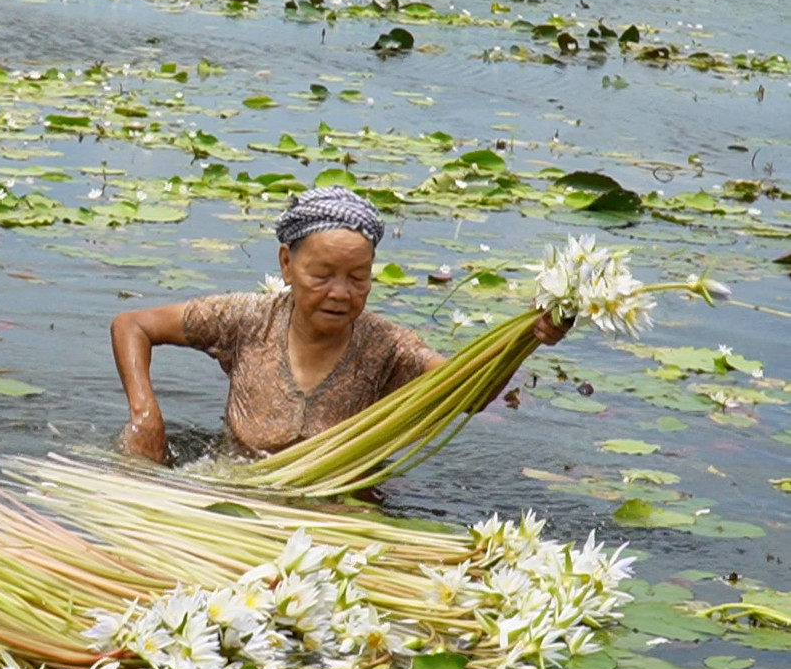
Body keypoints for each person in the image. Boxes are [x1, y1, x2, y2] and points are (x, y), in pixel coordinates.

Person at [110, 186, 568, 465]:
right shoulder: (247, 320)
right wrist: (145, 414)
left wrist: (527, 338)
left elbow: (465, 394)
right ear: (286, 265)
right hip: (235, 485)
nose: (341, 293)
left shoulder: (388, 348)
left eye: (358, 277)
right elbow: (132, 325)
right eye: (322, 275)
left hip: (339, 507)